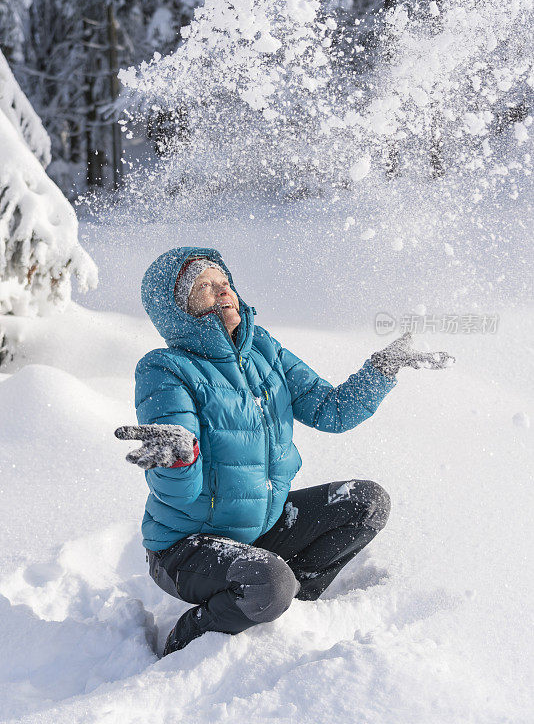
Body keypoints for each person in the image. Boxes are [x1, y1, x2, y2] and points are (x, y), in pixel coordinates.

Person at [116, 246, 454, 657]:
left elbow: (332, 411)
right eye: (204, 287)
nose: (222, 292)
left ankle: (289, 606)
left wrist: (382, 369)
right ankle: (183, 643)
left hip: (260, 530)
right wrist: (181, 456)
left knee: (366, 503)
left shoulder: (265, 350)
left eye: (224, 282)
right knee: (269, 581)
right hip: (187, 547)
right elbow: (181, 491)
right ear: (178, 309)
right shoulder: (166, 368)